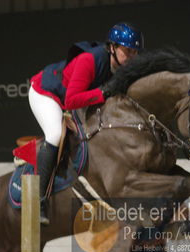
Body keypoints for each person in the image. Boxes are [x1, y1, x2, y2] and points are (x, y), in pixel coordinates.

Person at [28, 22, 144, 225]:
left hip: (73, 98)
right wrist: (103, 93)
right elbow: (71, 101)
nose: (132, 57)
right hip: (47, 93)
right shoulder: (89, 60)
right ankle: (39, 202)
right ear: (112, 48)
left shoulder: (123, 68)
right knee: (55, 135)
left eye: (135, 52)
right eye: (128, 51)